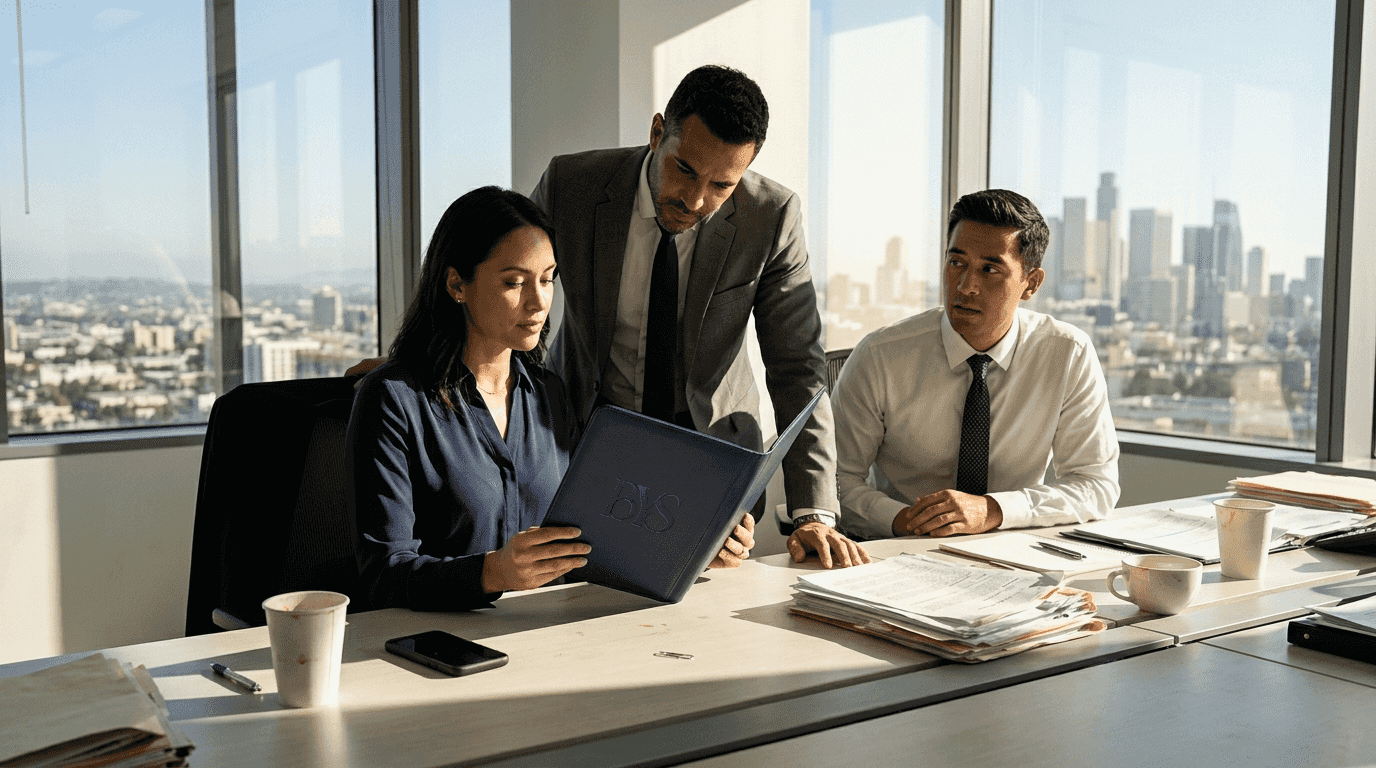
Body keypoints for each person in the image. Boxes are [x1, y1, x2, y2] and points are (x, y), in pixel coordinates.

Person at [530, 64, 867, 569]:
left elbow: (798, 368)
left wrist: (813, 513)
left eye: (722, 186)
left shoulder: (771, 217)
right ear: (656, 132)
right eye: (684, 169)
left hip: (713, 459)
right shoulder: (572, 186)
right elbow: (506, 292)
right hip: (589, 442)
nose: (695, 199)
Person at [348, 186, 591, 610]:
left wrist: (692, 547)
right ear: (457, 284)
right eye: (514, 282)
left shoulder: (549, 394)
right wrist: (492, 572)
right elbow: (382, 575)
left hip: (547, 639)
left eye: (547, 279)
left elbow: (578, 548)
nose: (539, 302)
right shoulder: (393, 400)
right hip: (438, 650)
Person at [832, 189, 1120, 541]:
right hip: (901, 547)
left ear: (1031, 284)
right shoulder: (881, 356)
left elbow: (1096, 485)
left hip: (1012, 548)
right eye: (957, 263)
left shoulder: (1067, 353)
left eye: (990, 269)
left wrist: (993, 510)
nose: (966, 286)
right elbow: (834, 480)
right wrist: (906, 520)